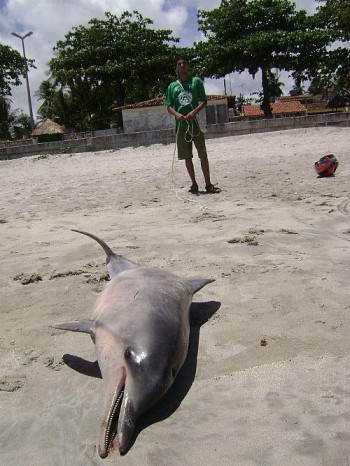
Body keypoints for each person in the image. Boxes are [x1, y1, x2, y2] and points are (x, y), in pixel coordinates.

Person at [165, 56, 221, 194]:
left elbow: (204, 101)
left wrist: (194, 112)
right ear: (176, 67)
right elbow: (169, 105)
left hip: (195, 124)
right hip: (181, 126)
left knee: (202, 154)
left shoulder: (196, 82)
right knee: (187, 156)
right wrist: (178, 115)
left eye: (184, 63)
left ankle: (208, 184)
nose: (182, 65)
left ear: (188, 66)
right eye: (179, 64)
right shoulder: (172, 86)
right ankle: (194, 184)